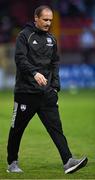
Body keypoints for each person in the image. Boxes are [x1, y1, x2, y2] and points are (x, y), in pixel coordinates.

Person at [7, 5, 88, 174]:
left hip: (47, 94)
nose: (48, 23)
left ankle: (68, 161)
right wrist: (34, 73)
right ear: (36, 18)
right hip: (26, 93)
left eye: (50, 20)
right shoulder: (24, 36)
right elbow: (20, 60)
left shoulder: (52, 38)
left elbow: (55, 64)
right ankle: (12, 162)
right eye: (45, 19)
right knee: (17, 129)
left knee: (56, 128)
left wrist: (56, 87)